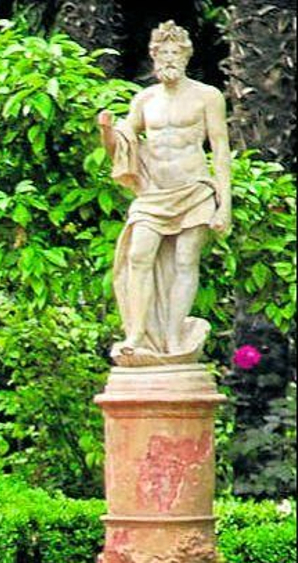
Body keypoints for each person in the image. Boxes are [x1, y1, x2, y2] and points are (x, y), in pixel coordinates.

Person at [96, 20, 231, 365]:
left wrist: (224, 206)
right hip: (154, 195)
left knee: (187, 261)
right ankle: (137, 333)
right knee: (138, 255)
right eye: (163, 54)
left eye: (175, 53)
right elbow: (122, 148)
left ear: (186, 56)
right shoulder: (145, 99)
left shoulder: (207, 96)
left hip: (195, 189)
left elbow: (219, 150)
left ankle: (173, 336)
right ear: (154, 57)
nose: (169, 60)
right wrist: (106, 131)